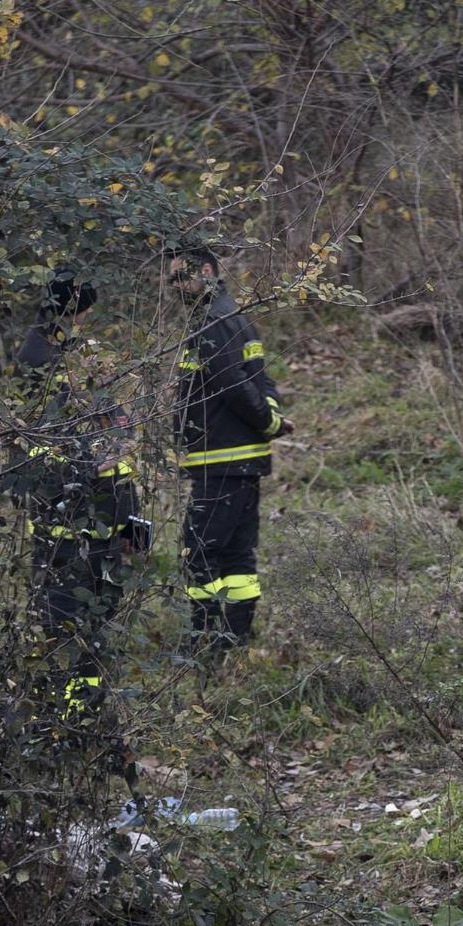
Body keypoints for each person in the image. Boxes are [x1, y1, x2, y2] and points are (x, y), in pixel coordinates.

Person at [12, 280, 149, 773]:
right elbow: (89, 449)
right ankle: (67, 733)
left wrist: (131, 516)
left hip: (101, 526)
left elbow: (117, 450)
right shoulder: (43, 361)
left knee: (95, 637)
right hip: (67, 532)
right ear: (76, 311)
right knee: (70, 635)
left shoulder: (78, 358)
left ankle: (84, 724)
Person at [165, 242, 284, 647]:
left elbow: (236, 385)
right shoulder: (232, 318)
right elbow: (262, 381)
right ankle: (235, 640)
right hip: (237, 461)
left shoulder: (213, 322)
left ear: (210, 272)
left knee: (199, 554)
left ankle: (203, 642)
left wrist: (269, 420)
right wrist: (273, 418)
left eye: (184, 276)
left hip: (223, 461)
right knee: (237, 558)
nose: (177, 286)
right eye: (172, 279)